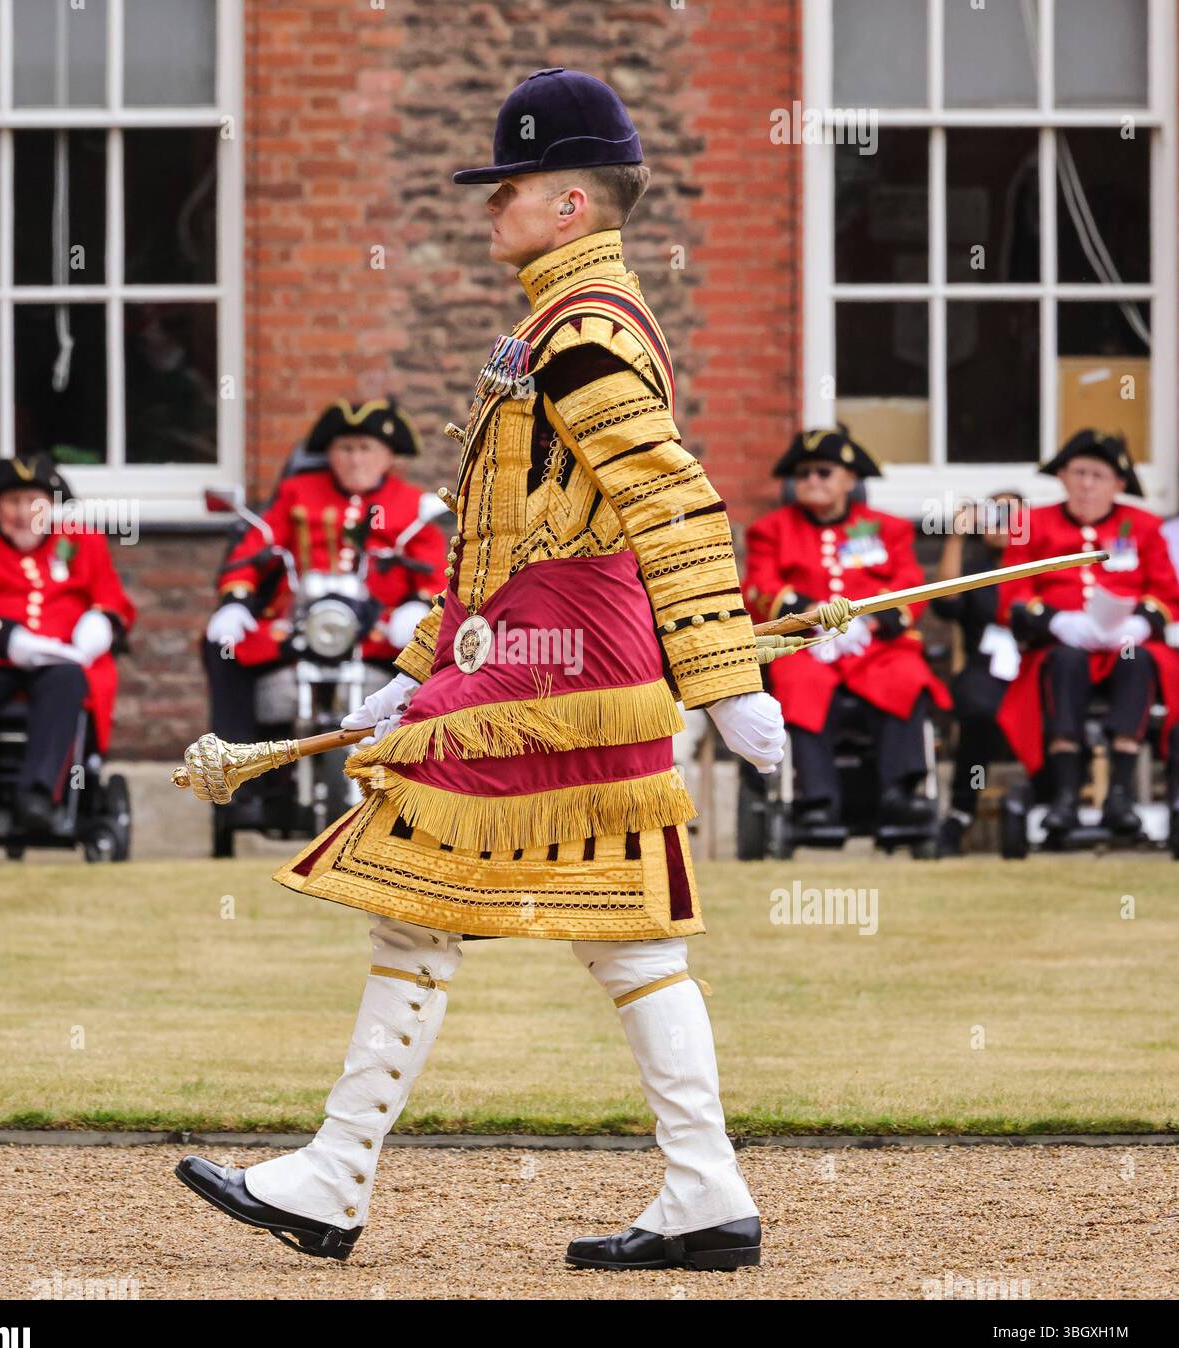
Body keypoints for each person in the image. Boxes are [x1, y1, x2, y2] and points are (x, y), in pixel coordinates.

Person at [176, 68, 784, 1273]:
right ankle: (704, 1190)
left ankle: (336, 1174)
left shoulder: (587, 331)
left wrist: (724, 674)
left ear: (567, 202)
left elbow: (668, 498)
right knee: (631, 942)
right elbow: (492, 537)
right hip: (534, 653)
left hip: (555, 667)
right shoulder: (557, 326)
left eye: (504, 188)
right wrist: (411, 671)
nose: (485, 207)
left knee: (409, 892)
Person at [202, 400, 447, 795]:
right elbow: (253, 547)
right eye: (345, 449)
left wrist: (420, 607)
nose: (354, 460)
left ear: (389, 456)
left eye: (365, 449)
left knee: (441, 657)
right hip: (300, 627)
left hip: (379, 632)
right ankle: (240, 779)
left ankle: (425, 777)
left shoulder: (411, 504)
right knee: (223, 645)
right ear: (329, 453)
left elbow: (436, 569)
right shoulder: (296, 493)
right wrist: (235, 600)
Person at [743, 427, 951, 832]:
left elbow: (910, 582)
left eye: (823, 472)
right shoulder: (772, 529)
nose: (811, 481)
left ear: (850, 480)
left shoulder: (888, 528)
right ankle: (815, 799)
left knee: (906, 675)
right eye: (802, 474)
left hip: (875, 646)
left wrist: (870, 620)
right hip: (806, 645)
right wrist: (810, 616)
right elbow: (760, 587)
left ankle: (900, 794)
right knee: (797, 679)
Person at [0, 452, 136, 834]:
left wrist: (101, 622)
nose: (24, 514)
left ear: (51, 504)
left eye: (34, 501)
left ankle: (39, 795)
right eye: (13, 502)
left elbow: (115, 602)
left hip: (59, 661)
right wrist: (2, 636)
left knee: (69, 678)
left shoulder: (83, 542)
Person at [997, 430, 1179, 835]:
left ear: (1118, 484)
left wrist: (1139, 621)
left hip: (1127, 643)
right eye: (1078, 473)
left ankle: (1119, 794)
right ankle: (1064, 795)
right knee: (1066, 661)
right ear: (1062, 476)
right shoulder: (1030, 524)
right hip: (1060, 646)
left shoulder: (1144, 527)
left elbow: (1166, 593)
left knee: (1140, 659)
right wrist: (1056, 621)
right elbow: (1014, 592)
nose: (1086, 484)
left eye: (1098, 476)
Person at [931, 493, 1023, 855]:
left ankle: (1054, 807)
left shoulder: (1042, 560)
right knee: (979, 711)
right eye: (994, 515)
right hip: (985, 667)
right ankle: (961, 811)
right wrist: (957, 535)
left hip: (1033, 663)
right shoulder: (976, 569)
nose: (1001, 523)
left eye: (1012, 514)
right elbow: (945, 602)